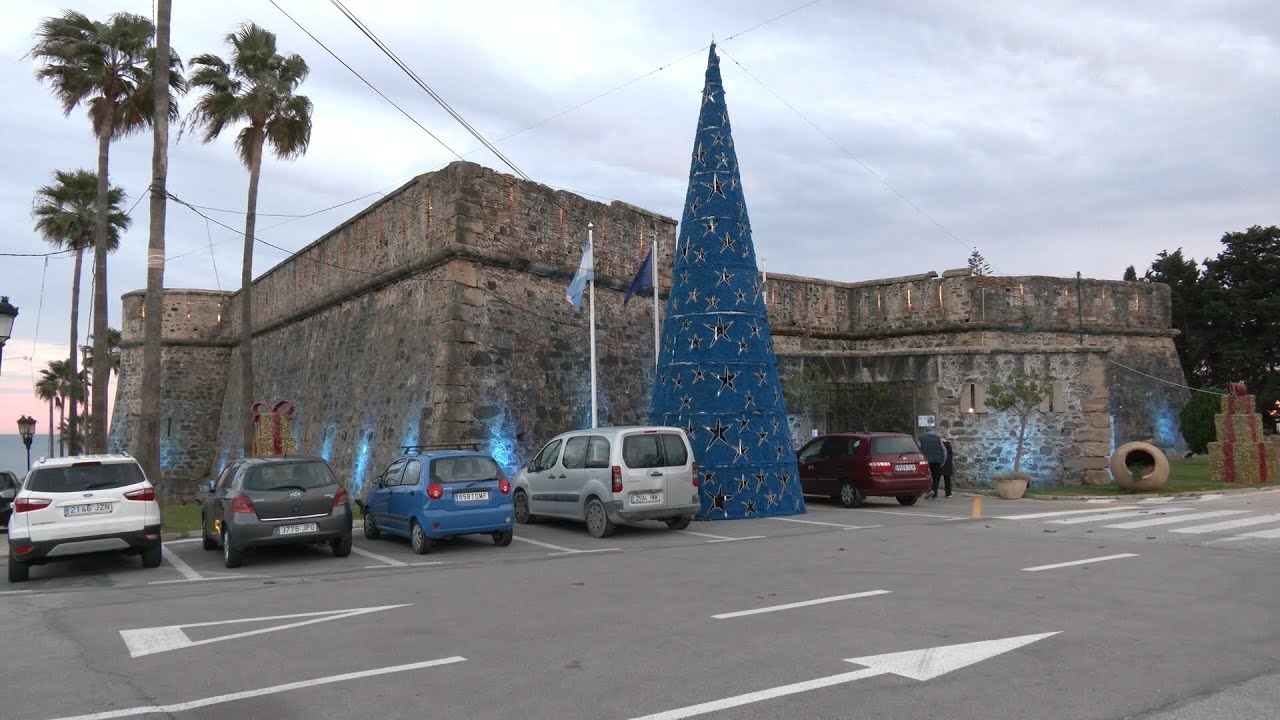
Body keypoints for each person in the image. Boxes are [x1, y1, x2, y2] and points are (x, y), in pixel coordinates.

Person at [918, 428, 947, 499]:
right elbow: (944, 451)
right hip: (937, 461)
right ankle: (934, 492)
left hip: (926, 461)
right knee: (936, 477)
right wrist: (943, 462)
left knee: (928, 476)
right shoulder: (938, 439)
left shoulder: (921, 439)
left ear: (925, 431)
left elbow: (918, 449)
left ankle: (929, 490)